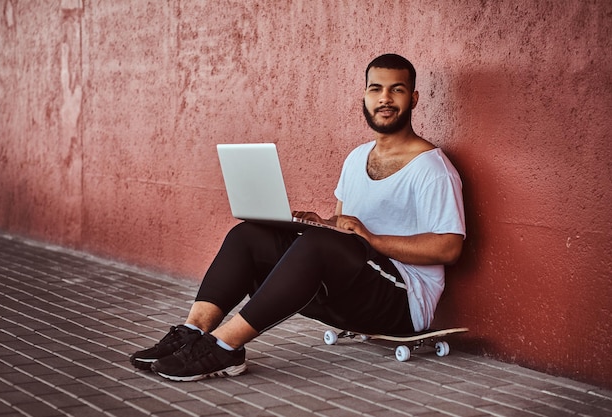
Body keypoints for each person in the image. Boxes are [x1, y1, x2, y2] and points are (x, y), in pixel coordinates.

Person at [130, 54, 466, 382]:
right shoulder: (356, 159)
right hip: (356, 288)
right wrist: (319, 223)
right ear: (364, 96)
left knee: (319, 246)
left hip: (403, 301)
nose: (385, 99)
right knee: (250, 235)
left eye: (397, 89)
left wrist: (370, 239)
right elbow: (343, 230)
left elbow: (449, 249)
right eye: (376, 89)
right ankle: (192, 332)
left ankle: (223, 346)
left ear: (414, 98)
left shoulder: (432, 169)